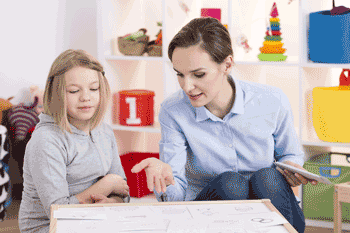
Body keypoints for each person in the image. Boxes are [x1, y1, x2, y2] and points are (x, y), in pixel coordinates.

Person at [131, 17, 317, 233]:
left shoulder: (271, 100)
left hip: (273, 207)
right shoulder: (173, 111)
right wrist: (165, 180)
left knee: (267, 176)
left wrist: (292, 168)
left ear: (227, 64)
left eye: (198, 74)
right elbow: (176, 196)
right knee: (231, 183)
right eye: (180, 75)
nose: (187, 86)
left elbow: (290, 155)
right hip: (209, 216)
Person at [18, 49, 130, 233]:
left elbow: (122, 190)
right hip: (50, 227)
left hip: (94, 220)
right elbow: (58, 212)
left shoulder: (104, 131)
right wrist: (106, 185)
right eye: (74, 90)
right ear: (57, 93)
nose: (86, 97)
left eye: (94, 89)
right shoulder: (46, 141)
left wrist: (111, 202)